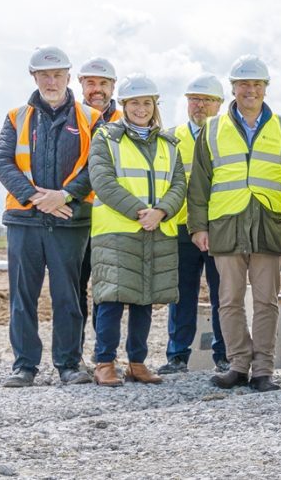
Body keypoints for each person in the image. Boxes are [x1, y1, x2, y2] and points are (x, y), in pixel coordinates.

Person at [187, 55, 281, 393]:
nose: (250, 90)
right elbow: (200, 182)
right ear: (233, 88)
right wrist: (198, 226)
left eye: (257, 84)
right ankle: (238, 364)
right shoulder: (212, 128)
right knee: (229, 299)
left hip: (269, 223)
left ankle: (263, 368)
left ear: (265, 88)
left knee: (267, 299)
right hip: (227, 224)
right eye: (244, 84)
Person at [0, 47, 103, 387]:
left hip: (70, 220)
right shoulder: (16, 117)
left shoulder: (90, 119)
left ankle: (69, 364)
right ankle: (24, 366)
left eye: (58, 74)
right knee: (22, 296)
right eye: (44, 75)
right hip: (24, 221)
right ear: (34, 78)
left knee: (67, 295)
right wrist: (38, 198)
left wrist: (65, 195)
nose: (51, 80)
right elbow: (2, 162)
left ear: (68, 77)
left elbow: (96, 166)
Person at [86, 74, 186, 386]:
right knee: (111, 300)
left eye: (147, 103)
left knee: (146, 299)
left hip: (156, 230)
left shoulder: (169, 144)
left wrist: (162, 211)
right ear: (125, 105)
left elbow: (179, 183)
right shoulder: (106, 138)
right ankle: (104, 362)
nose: (141, 109)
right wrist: (140, 212)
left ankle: (137, 362)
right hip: (117, 231)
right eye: (134, 103)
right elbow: (102, 180)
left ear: (155, 105)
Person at [158, 74, 229, 375]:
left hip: (219, 229)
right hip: (181, 229)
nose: (200, 105)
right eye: (194, 99)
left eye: (207, 100)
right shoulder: (171, 138)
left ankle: (224, 355)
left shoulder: (227, 137)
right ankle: (177, 356)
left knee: (223, 295)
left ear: (220, 104)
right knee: (181, 294)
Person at [76, 57, 121, 343]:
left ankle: (104, 353)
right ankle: (73, 351)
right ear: (80, 84)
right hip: (77, 214)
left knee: (107, 288)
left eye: (103, 83)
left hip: (110, 217)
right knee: (75, 286)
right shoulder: (69, 117)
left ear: (113, 86)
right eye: (90, 82)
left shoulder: (125, 120)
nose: (97, 89)